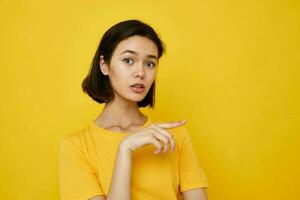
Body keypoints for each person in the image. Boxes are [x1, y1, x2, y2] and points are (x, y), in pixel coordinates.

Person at [59, 19, 209, 200]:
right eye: (128, 60)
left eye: (150, 64)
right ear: (104, 65)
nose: (141, 72)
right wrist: (125, 148)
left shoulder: (174, 136)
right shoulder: (77, 146)